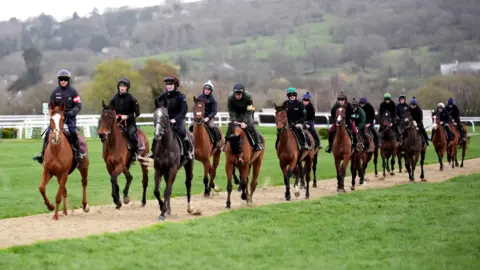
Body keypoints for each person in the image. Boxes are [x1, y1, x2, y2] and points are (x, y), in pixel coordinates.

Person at [33, 69, 83, 164]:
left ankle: (77, 153)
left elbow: (78, 105)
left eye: (65, 79)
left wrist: (71, 113)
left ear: (68, 80)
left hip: (69, 117)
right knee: (48, 132)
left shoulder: (73, 92)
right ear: (59, 80)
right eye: (61, 79)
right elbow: (50, 106)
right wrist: (52, 113)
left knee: (72, 132)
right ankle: (43, 154)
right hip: (57, 118)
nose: (63, 81)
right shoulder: (55, 92)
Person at [149, 76, 193, 159]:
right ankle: (152, 151)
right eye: (167, 85)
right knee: (157, 132)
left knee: (182, 132)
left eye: (171, 85)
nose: (168, 86)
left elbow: (184, 110)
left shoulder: (181, 96)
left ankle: (188, 151)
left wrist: (175, 119)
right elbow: (157, 102)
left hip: (179, 119)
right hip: (166, 119)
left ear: (175, 85)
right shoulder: (164, 95)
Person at [106, 78, 140, 161]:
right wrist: (114, 116)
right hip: (117, 123)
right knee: (107, 134)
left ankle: (135, 152)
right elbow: (110, 110)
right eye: (120, 86)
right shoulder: (114, 98)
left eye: (124, 86)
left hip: (129, 123)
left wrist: (127, 117)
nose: (122, 88)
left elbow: (137, 113)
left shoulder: (132, 99)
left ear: (127, 88)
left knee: (131, 134)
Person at [225, 83, 263, 151]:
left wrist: (245, 122)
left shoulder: (248, 97)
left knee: (251, 125)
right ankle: (225, 144)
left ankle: (258, 143)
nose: (238, 96)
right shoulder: (230, 97)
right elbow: (230, 110)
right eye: (237, 94)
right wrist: (234, 119)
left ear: (243, 93)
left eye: (240, 94)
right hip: (236, 113)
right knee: (230, 126)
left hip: (247, 112)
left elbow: (249, 110)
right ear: (234, 93)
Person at [188, 80, 221, 147]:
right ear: (203, 89)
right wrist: (196, 116)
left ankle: (216, 143)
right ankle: (189, 142)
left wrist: (208, 118)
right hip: (199, 117)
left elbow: (214, 111)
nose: (206, 90)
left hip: (208, 118)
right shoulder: (199, 97)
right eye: (205, 89)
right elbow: (196, 108)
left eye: (208, 89)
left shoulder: (213, 99)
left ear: (211, 91)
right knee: (191, 126)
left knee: (213, 127)